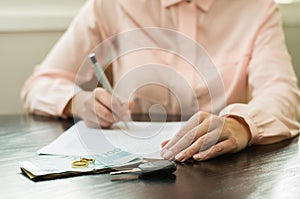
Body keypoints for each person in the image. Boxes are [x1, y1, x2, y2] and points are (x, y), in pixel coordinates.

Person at [21, 0, 300, 162]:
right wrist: (77, 102)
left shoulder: (258, 8)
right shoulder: (112, 4)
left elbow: (281, 92)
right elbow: (40, 83)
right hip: (135, 174)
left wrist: (241, 124)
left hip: (221, 170)